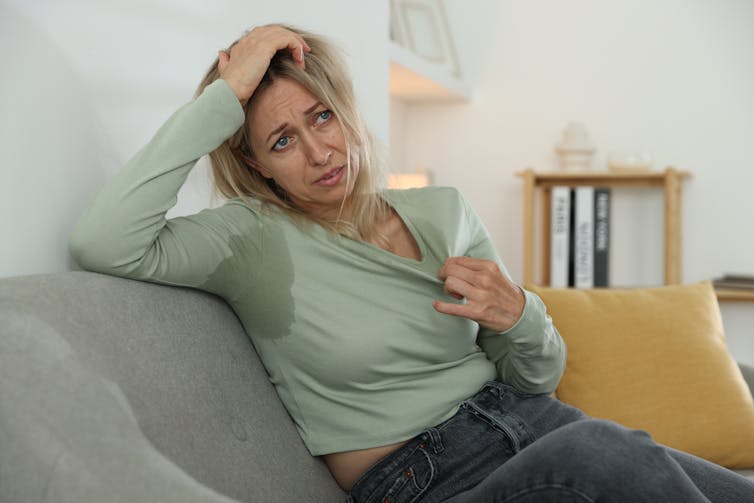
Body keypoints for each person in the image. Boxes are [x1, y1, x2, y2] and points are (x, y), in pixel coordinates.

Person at [69, 24, 754, 503]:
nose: (319, 151)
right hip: (424, 480)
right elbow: (105, 239)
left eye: (322, 117)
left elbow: (538, 377)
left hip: (537, 426)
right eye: (282, 139)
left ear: (347, 110)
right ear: (254, 161)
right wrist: (226, 94)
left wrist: (521, 315)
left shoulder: (445, 211)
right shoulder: (252, 238)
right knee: (601, 451)